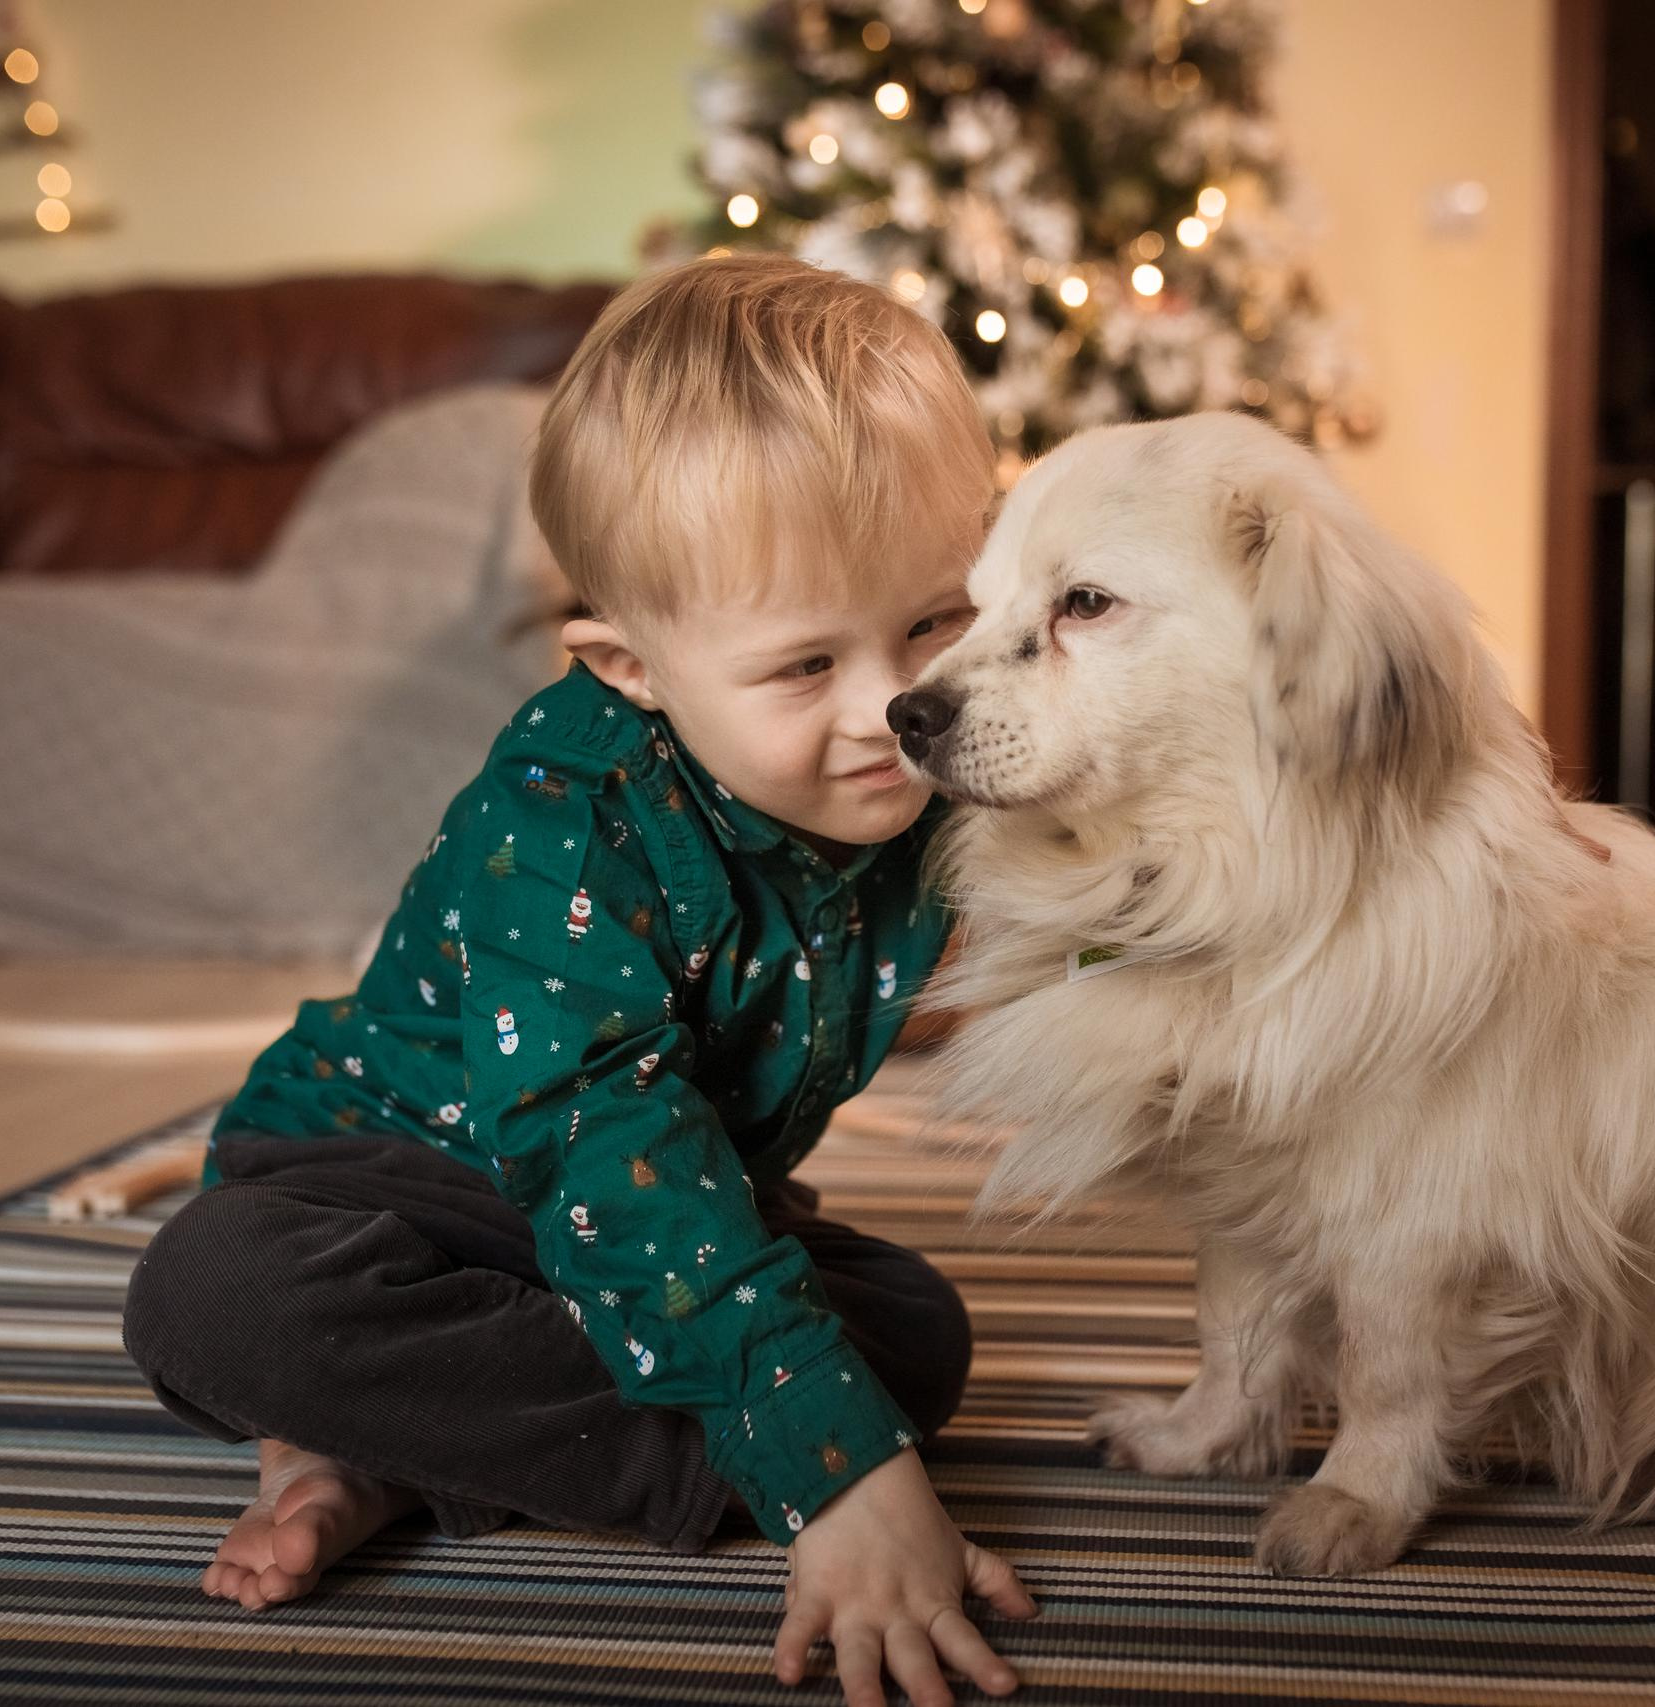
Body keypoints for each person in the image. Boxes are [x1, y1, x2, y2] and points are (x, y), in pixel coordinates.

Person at [121, 252, 1039, 1705]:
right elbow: (600, 1138)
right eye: (804, 665)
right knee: (209, 1296)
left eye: (934, 622)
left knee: (921, 1334)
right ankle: (473, 1431)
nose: (891, 712)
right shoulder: (559, 817)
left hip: (683, 1196)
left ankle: (401, 1448)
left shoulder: (936, 751)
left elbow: (1121, 914)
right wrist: (836, 1472)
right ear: (632, 670)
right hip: (400, 1181)